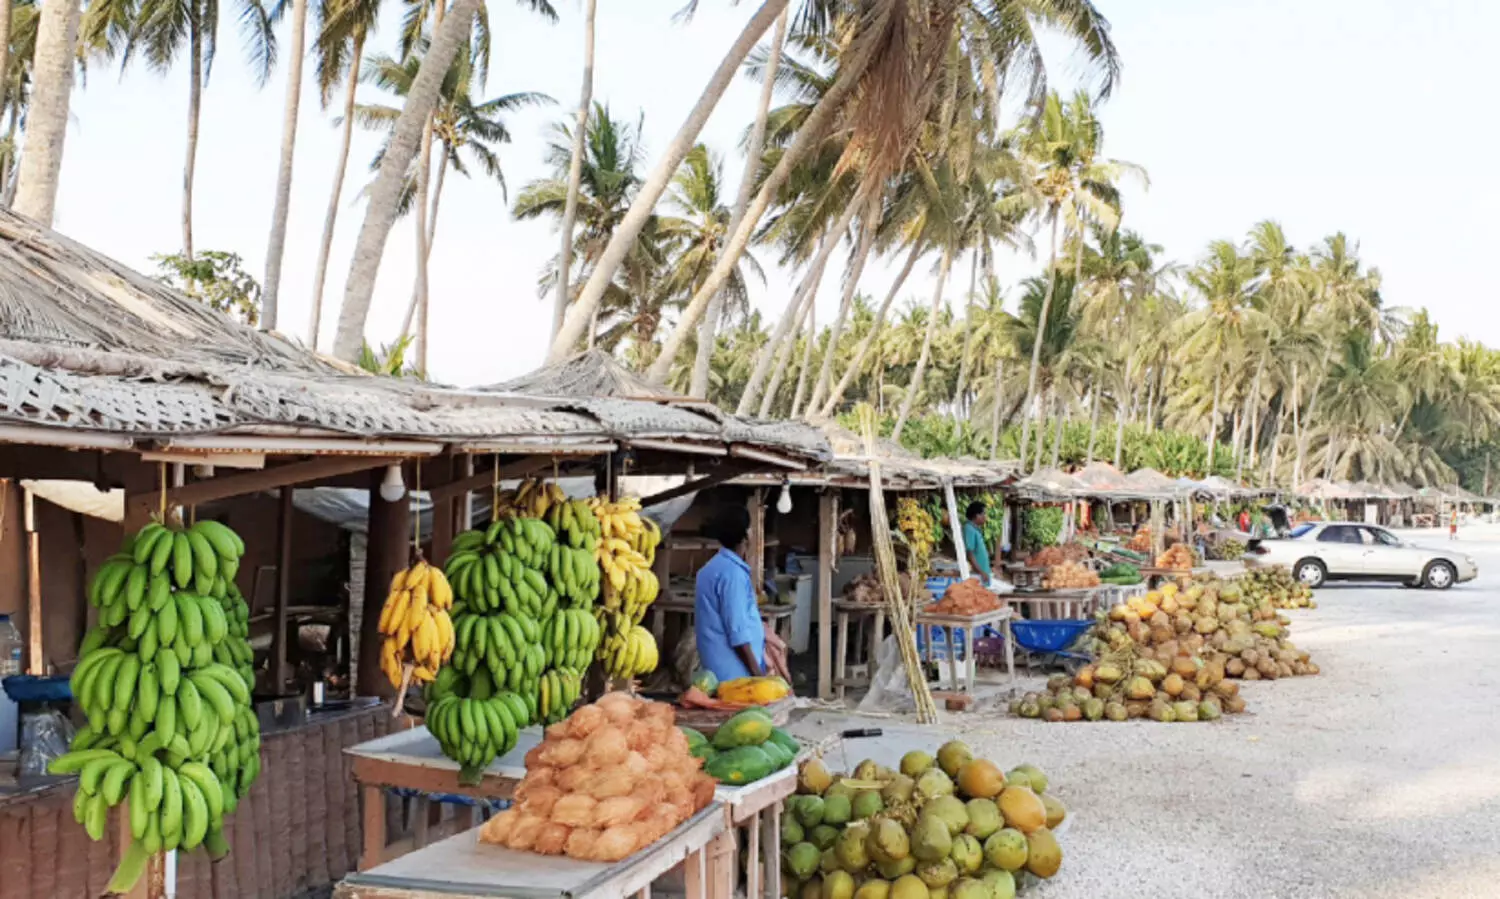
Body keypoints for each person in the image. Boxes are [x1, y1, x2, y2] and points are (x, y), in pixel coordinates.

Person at [694, 504, 766, 682]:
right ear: (746, 535)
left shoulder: (711, 568)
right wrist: (758, 675)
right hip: (734, 673)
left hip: (716, 669)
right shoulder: (732, 575)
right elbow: (738, 633)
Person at [962, 501, 993, 583]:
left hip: (982, 575)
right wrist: (981, 572)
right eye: (983, 514)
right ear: (976, 515)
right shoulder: (969, 529)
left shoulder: (975, 529)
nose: (985, 516)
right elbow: (970, 554)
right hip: (977, 576)